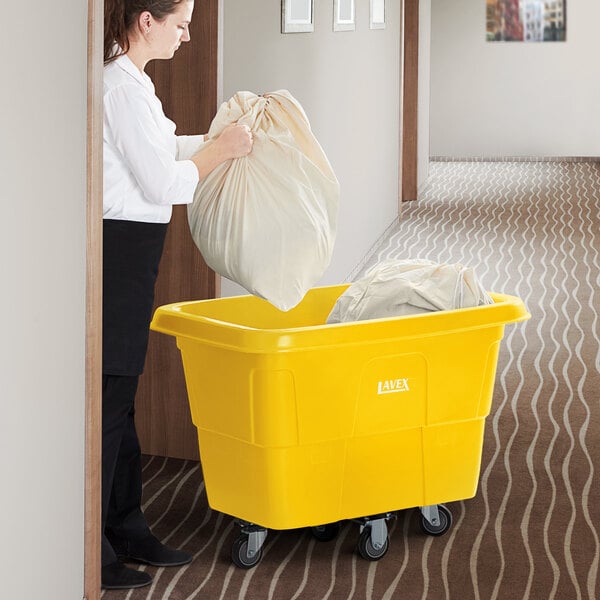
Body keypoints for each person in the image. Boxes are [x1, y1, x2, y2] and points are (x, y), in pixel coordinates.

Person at [102, 0, 253, 590]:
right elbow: (163, 183)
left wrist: (223, 140)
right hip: (118, 253)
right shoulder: (118, 86)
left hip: (134, 251)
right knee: (110, 399)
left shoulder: (134, 83)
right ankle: (98, 546)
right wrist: (220, 153)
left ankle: (127, 526)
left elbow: (163, 153)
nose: (187, 37)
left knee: (124, 395)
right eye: (182, 25)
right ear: (147, 21)